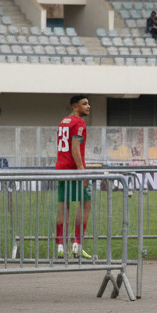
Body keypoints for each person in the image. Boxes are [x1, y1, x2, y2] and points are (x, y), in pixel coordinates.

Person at [55, 95, 93, 259]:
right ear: (75, 106)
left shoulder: (63, 121)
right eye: (84, 104)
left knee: (64, 206)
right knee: (85, 203)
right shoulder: (79, 122)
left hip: (61, 168)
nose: (88, 106)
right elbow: (75, 146)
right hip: (73, 169)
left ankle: (60, 246)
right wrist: (81, 170)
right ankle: (77, 244)